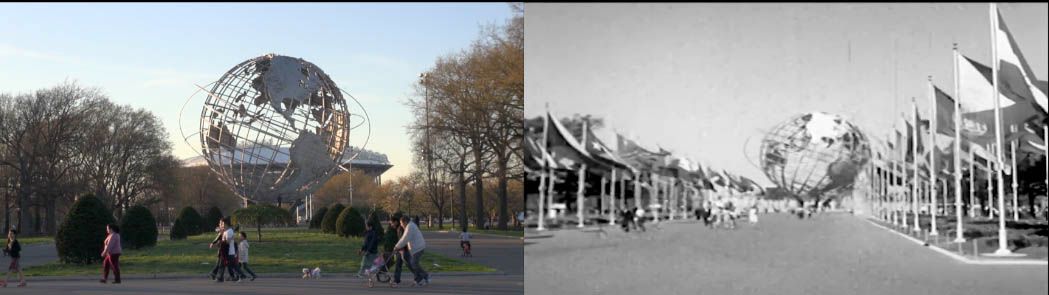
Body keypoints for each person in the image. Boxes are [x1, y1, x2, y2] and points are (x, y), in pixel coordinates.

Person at [394, 216, 430, 287]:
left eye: (401, 223)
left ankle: (423, 276)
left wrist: (396, 247)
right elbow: (404, 239)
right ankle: (423, 277)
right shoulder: (410, 226)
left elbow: (405, 239)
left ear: (405, 222)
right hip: (416, 248)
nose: (401, 225)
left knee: (413, 263)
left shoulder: (410, 227)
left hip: (418, 248)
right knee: (412, 263)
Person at [382, 214, 405, 287]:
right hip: (396, 249)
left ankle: (421, 276)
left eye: (391, 223)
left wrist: (398, 248)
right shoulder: (393, 229)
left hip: (399, 249)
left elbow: (401, 240)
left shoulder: (399, 229)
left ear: (395, 222)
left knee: (399, 264)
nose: (391, 224)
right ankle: (396, 279)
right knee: (397, 264)